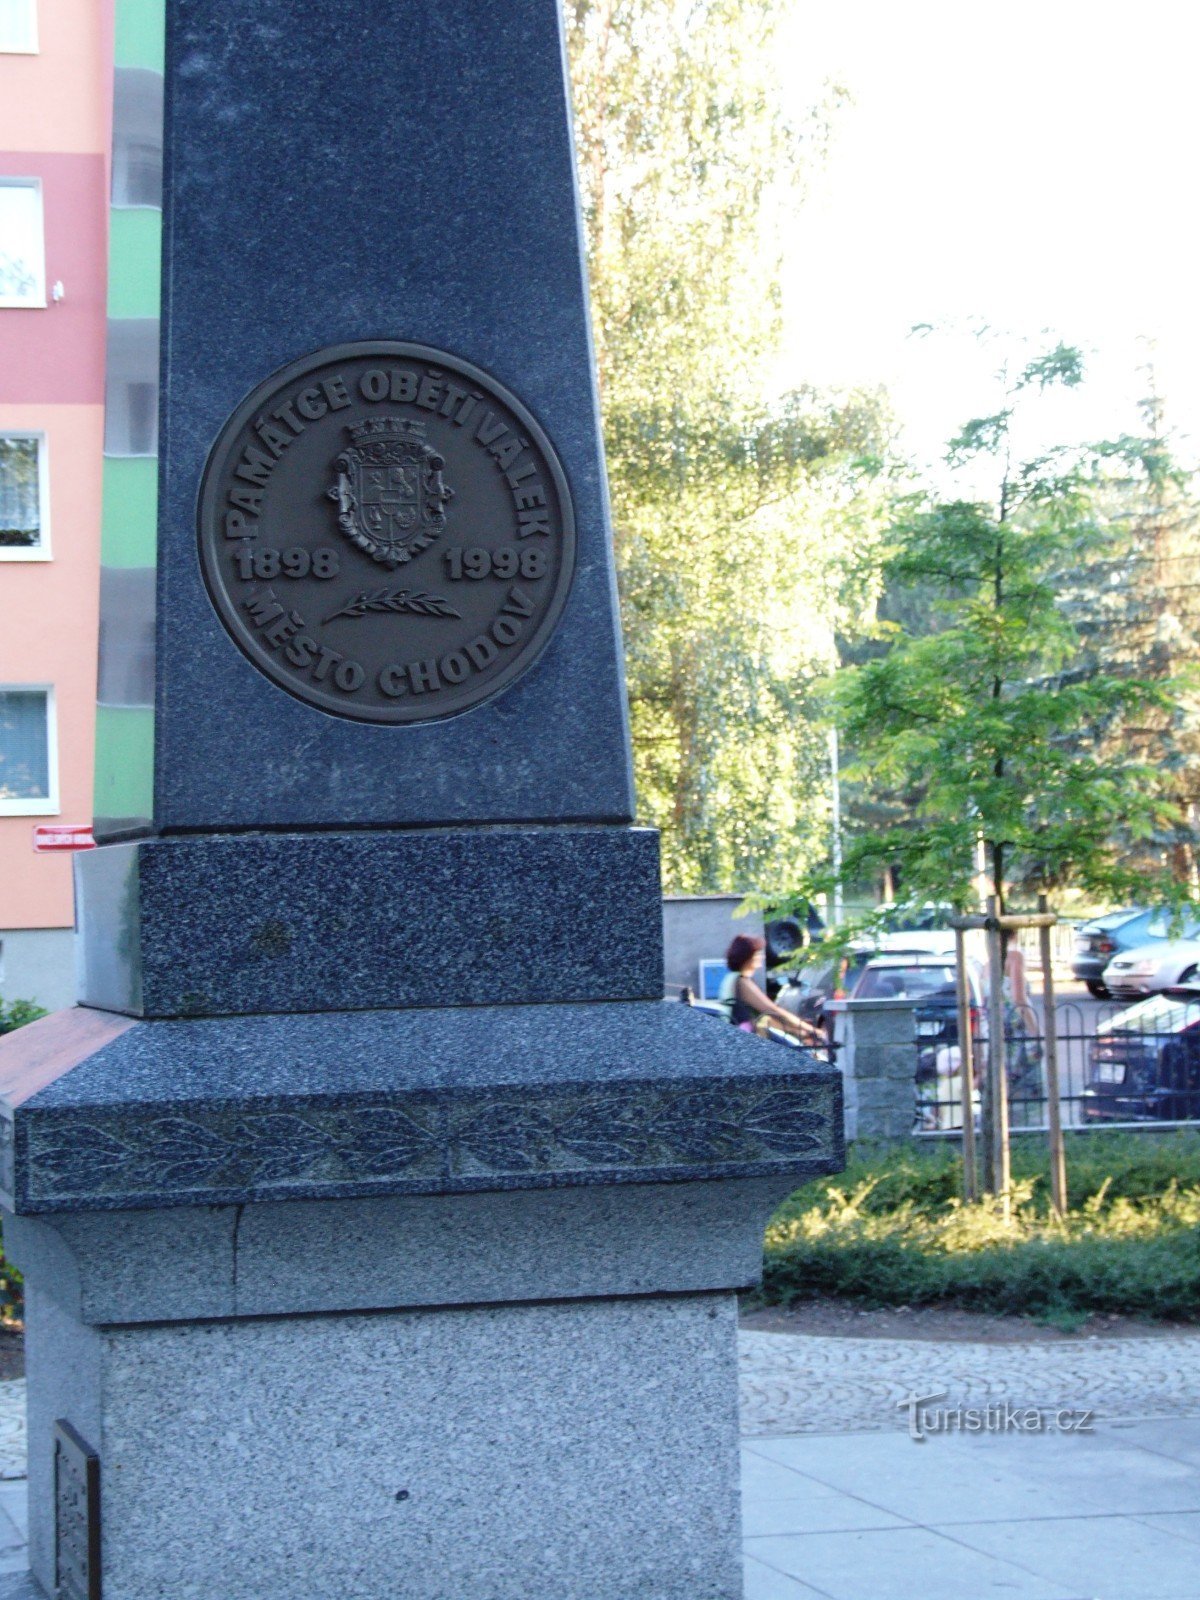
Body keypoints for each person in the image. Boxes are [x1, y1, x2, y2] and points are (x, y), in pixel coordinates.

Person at [717, 934, 826, 1047]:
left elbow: (766, 1019)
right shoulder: (742, 982)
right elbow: (771, 1010)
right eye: (758, 953)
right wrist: (811, 1030)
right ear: (747, 956)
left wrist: (801, 1031)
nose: (762, 956)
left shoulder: (732, 978)